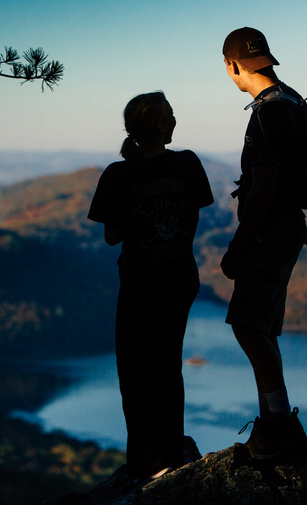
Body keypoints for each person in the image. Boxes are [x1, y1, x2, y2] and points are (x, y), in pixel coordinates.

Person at [88, 92, 214, 483]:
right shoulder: (188, 163)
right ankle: (172, 451)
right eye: (171, 115)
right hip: (179, 282)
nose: (176, 120)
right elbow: (196, 212)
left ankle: (147, 460)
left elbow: (111, 236)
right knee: (167, 365)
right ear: (160, 126)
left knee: (134, 370)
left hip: (141, 287)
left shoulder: (117, 174)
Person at [220, 27, 307, 460]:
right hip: (289, 228)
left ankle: (278, 426)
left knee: (248, 325)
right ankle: (271, 427)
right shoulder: (291, 99)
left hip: (269, 232)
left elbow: (264, 187)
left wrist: (239, 243)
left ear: (233, 65)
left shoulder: (266, 114)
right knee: (263, 326)